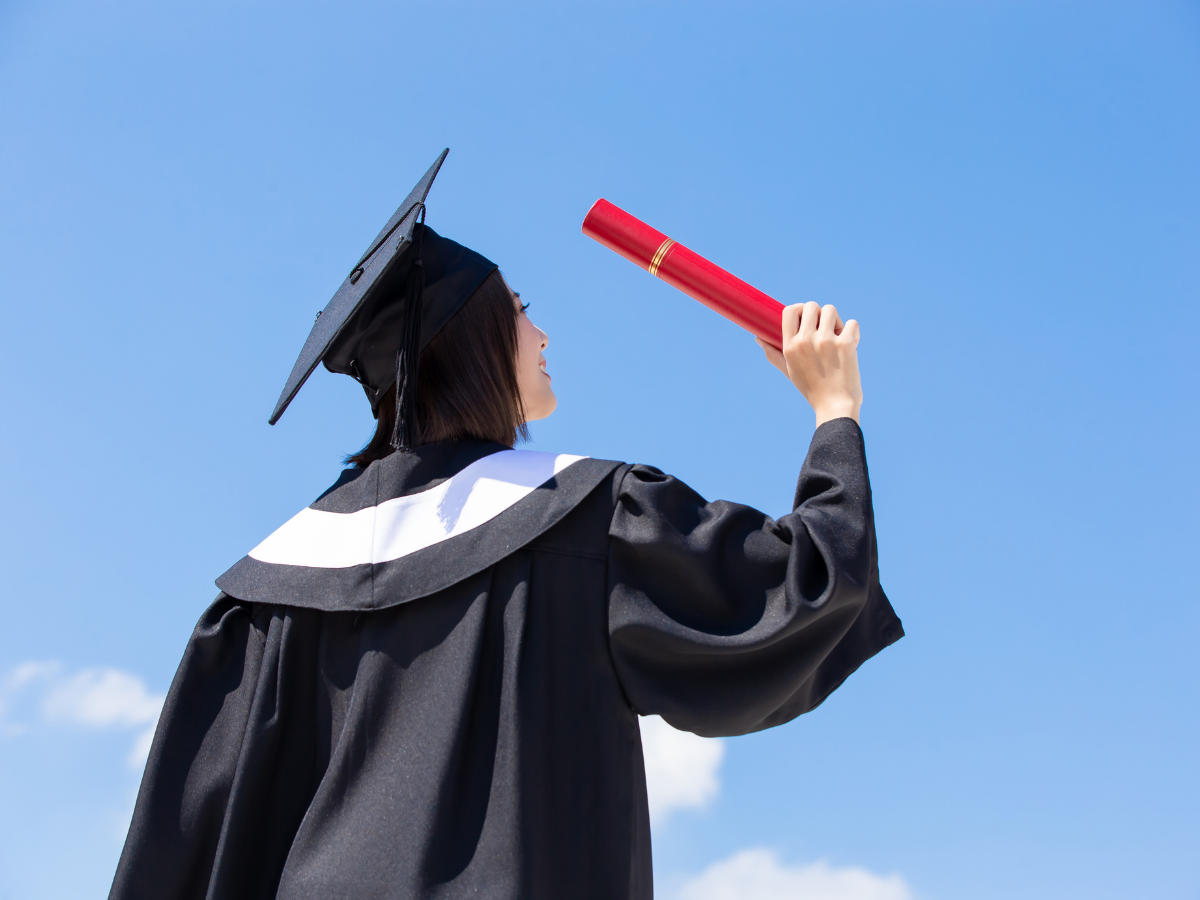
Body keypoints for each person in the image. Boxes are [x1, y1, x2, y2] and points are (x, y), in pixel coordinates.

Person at [109, 162, 902, 900]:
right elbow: (800, 593)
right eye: (522, 312)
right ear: (476, 341)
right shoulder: (590, 519)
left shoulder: (266, 599)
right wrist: (834, 412)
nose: (544, 335)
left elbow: (181, 854)